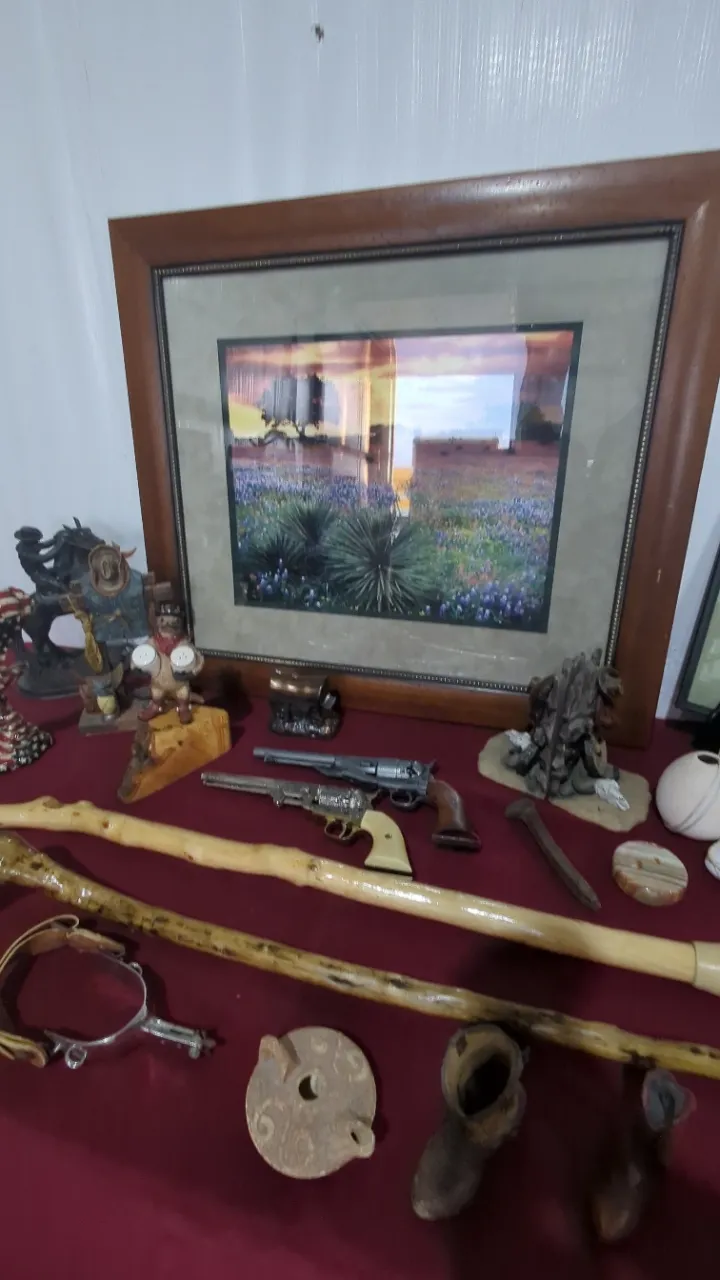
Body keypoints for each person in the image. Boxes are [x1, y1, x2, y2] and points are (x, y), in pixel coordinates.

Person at [131, 604, 204, 725]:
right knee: (156, 694)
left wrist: (192, 673)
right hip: (158, 682)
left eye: (174, 621)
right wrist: (136, 668)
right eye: (163, 620)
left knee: (183, 694)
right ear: (157, 621)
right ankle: (156, 706)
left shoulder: (184, 644)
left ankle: (183, 708)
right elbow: (140, 654)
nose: (168, 624)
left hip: (179, 684)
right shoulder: (153, 642)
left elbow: (199, 659)